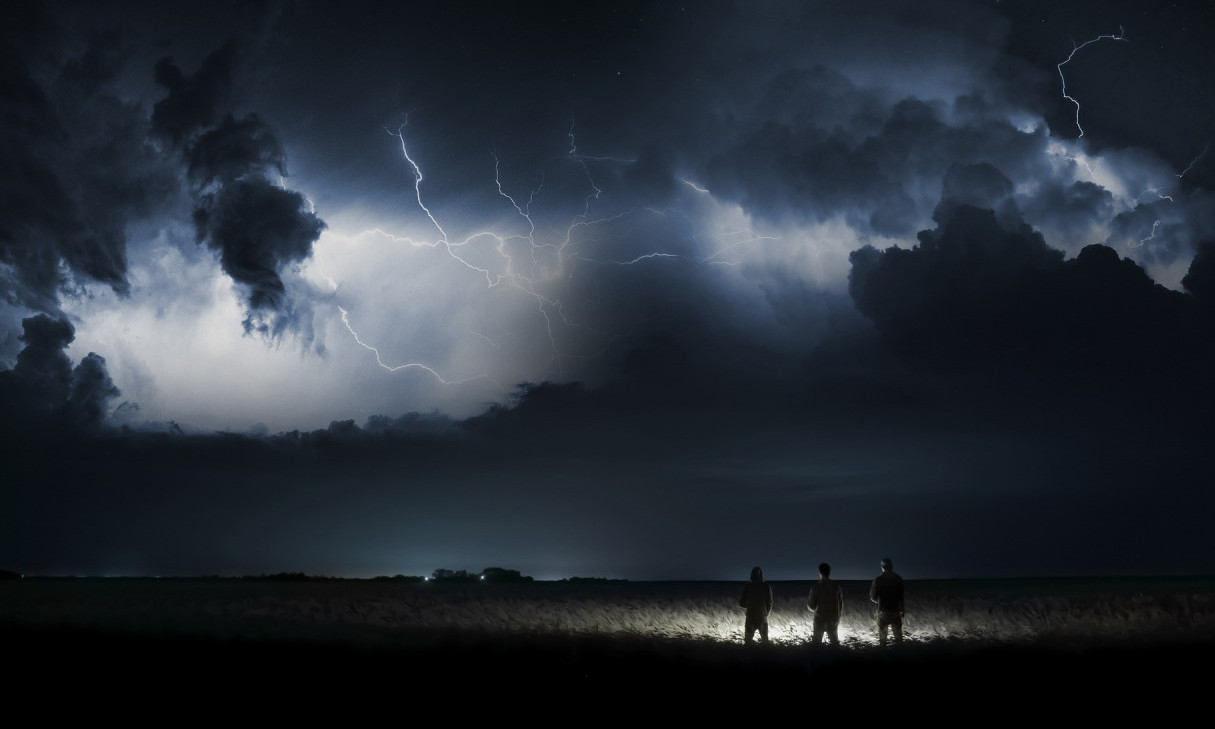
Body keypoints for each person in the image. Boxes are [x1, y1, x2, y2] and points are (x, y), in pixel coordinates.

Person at [869, 557, 905, 646]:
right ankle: (900, 656)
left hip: (883, 611)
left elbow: (873, 597)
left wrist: (880, 601)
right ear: (891, 566)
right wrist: (903, 609)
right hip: (896, 611)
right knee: (898, 637)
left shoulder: (878, 579)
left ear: (882, 567)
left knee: (883, 638)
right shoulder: (898, 578)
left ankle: (883, 654)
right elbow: (901, 597)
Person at [807, 562, 843, 646]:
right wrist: (838, 617)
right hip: (834, 619)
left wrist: (809, 607)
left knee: (816, 643)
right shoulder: (836, 587)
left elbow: (811, 606)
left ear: (819, 572)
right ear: (829, 572)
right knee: (835, 643)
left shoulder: (816, 587)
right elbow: (840, 605)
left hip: (820, 619)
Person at [739, 565, 774, 644]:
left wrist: (750, 606)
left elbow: (741, 603)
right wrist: (766, 613)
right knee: (765, 641)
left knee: (748, 641)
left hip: (751, 616)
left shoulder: (748, 586)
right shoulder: (766, 586)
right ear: (761, 575)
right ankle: (764, 655)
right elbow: (770, 602)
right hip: (761, 617)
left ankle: (750, 655)